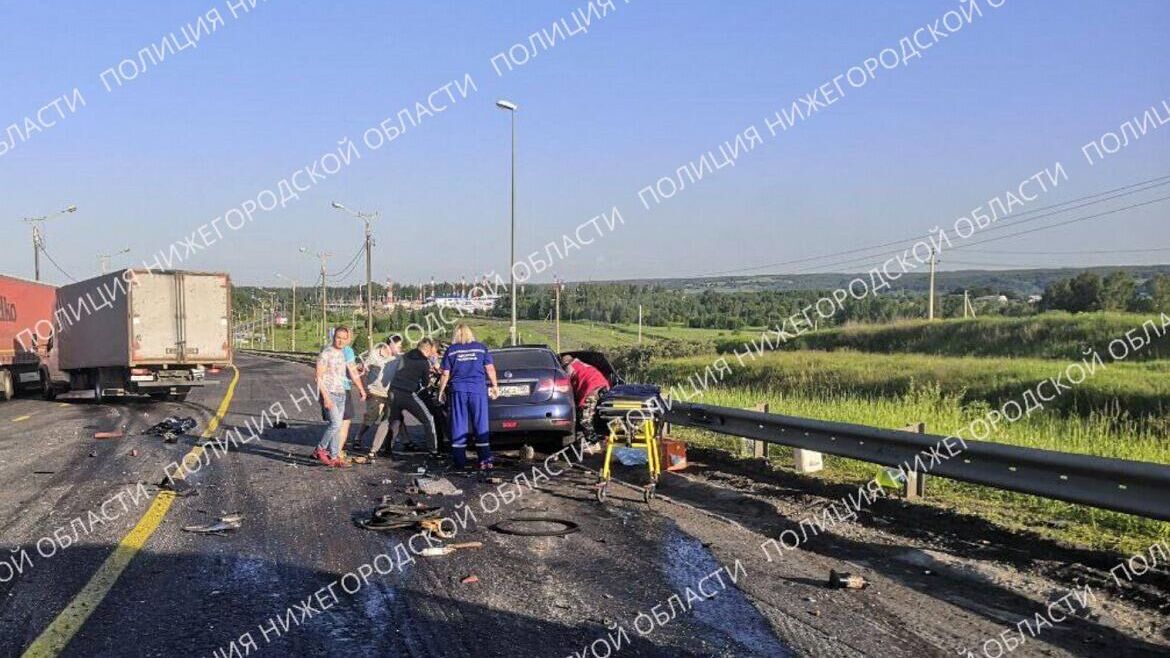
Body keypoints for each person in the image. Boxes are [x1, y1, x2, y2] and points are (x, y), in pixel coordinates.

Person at [437, 324, 500, 470]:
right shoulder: (481, 348)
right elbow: (490, 368)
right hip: (478, 390)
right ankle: (485, 460)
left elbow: (445, 373)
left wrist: (440, 392)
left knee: (458, 424)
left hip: (458, 390)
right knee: (481, 424)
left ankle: (459, 461)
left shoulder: (451, 350)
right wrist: (495, 385)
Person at [314, 326, 366, 467]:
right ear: (333, 337)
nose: (340, 341)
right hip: (329, 393)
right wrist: (326, 397)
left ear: (347, 339)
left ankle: (335, 456)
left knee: (338, 426)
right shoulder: (326, 353)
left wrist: (361, 388)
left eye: (344, 338)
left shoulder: (345, 353)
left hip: (341, 393)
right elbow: (318, 377)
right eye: (338, 337)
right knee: (336, 423)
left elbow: (353, 372)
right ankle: (320, 449)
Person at [386, 338, 441, 455]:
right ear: (428, 349)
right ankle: (433, 450)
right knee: (428, 419)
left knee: (394, 420)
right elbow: (425, 384)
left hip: (393, 391)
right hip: (408, 393)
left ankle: (387, 448)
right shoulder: (424, 362)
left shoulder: (405, 355)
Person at [353, 334, 403, 461]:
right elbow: (363, 370)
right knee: (371, 418)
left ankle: (382, 447)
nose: (400, 348)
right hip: (375, 391)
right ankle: (358, 437)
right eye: (398, 345)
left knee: (391, 418)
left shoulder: (398, 358)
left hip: (390, 393)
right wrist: (364, 388)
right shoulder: (374, 354)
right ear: (390, 344)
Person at [561, 355, 610, 442]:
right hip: (604, 388)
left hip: (592, 390)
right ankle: (601, 438)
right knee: (599, 417)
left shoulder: (570, 367)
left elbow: (566, 384)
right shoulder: (583, 365)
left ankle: (594, 443)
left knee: (585, 420)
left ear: (566, 363)